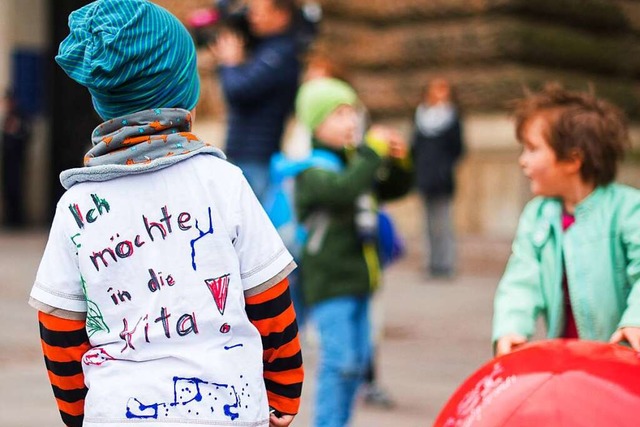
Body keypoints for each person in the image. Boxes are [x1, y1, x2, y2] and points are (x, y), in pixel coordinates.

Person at [28, 2, 303, 427]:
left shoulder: (77, 208)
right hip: (228, 410)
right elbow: (269, 298)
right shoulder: (221, 181)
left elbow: (58, 326)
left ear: (104, 102)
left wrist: (79, 413)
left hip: (119, 414)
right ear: (184, 93)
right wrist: (284, 392)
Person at [294, 77, 412, 427]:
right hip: (330, 282)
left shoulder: (356, 161)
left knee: (358, 363)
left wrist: (399, 162)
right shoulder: (313, 170)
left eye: (352, 112)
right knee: (339, 361)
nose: (350, 121)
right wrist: (372, 154)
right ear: (316, 123)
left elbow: (394, 188)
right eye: (339, 114)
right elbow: (344, 191)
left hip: (362, 279)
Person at [492, 83, 640, 357]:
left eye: (533, 149)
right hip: (569, 359)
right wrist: (511, 328)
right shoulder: (538, 215)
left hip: (624, 362)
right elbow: (520, 279)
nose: (522, 161)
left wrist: (636, 322)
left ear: (573, 160)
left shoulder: (628, 209)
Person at [212, 0, 301, 202]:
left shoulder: (280, 54)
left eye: (258, 12)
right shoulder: (266, 49)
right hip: (244, 153)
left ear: (282, 15)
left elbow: (238, 90)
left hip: (258, 157)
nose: (251, 18)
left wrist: (230, 62)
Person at [411, 78, 464, 279]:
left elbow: (458, 149)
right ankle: (431, 263)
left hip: (442, 179)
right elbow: (415, 147)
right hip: (424, 176)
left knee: (444, 222)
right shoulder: (420, 116)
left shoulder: (452, 118)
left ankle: (446, 263)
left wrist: (444, 168)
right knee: (427, 223)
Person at [1, 89, 31, 228]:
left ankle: (17, 220)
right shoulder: (5, 116)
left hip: (17, 160)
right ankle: (9, 218)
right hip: (6, 161)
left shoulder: (19, 116)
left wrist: (15, 131)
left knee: (16, 189)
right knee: (7, 189)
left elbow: (25, 135)